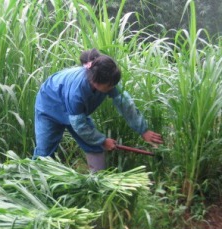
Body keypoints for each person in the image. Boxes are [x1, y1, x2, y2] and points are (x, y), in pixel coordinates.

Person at [33, 48, 163, 172]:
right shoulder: (77, 93)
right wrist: (102, 140)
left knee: (94, 145)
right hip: (49, 106)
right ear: (95, 81)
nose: (112, 88)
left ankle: (97, 183)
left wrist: (143, 130)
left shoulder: (108, 79)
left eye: (113, 85)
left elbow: (125, 104)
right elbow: (80, 125)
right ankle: (35, 183)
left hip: (75, 111)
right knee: (44, 153)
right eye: (109, 86)